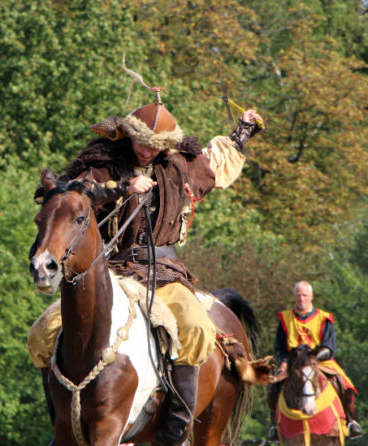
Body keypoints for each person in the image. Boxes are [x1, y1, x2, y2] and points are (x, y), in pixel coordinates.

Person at [28, 80, 263, 445]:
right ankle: (63, 423)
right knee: (41, 333)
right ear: (130, 135)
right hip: (113, 273)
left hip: (165, 276)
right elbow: (75, 195)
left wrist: (243, 130)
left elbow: (217, 160)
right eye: (140, 141)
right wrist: (123, 188)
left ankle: (175, 424)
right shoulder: (104, 166)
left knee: (197, 330)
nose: (144, 150)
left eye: (154, 145)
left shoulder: (180, 166)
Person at [266, 281, 363, 441]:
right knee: (273, 385)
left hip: (319, 361)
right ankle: (274, 425)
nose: (301, 298)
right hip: (293, 363)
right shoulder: (285, 318)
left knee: (343, 382)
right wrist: (283, 361)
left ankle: (351, 420)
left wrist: (313, 359)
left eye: (304, 295)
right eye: (298, 295)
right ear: (295, 297)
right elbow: (280, 346)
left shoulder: (324, 318)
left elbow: (329, 346)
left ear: (311, 296)